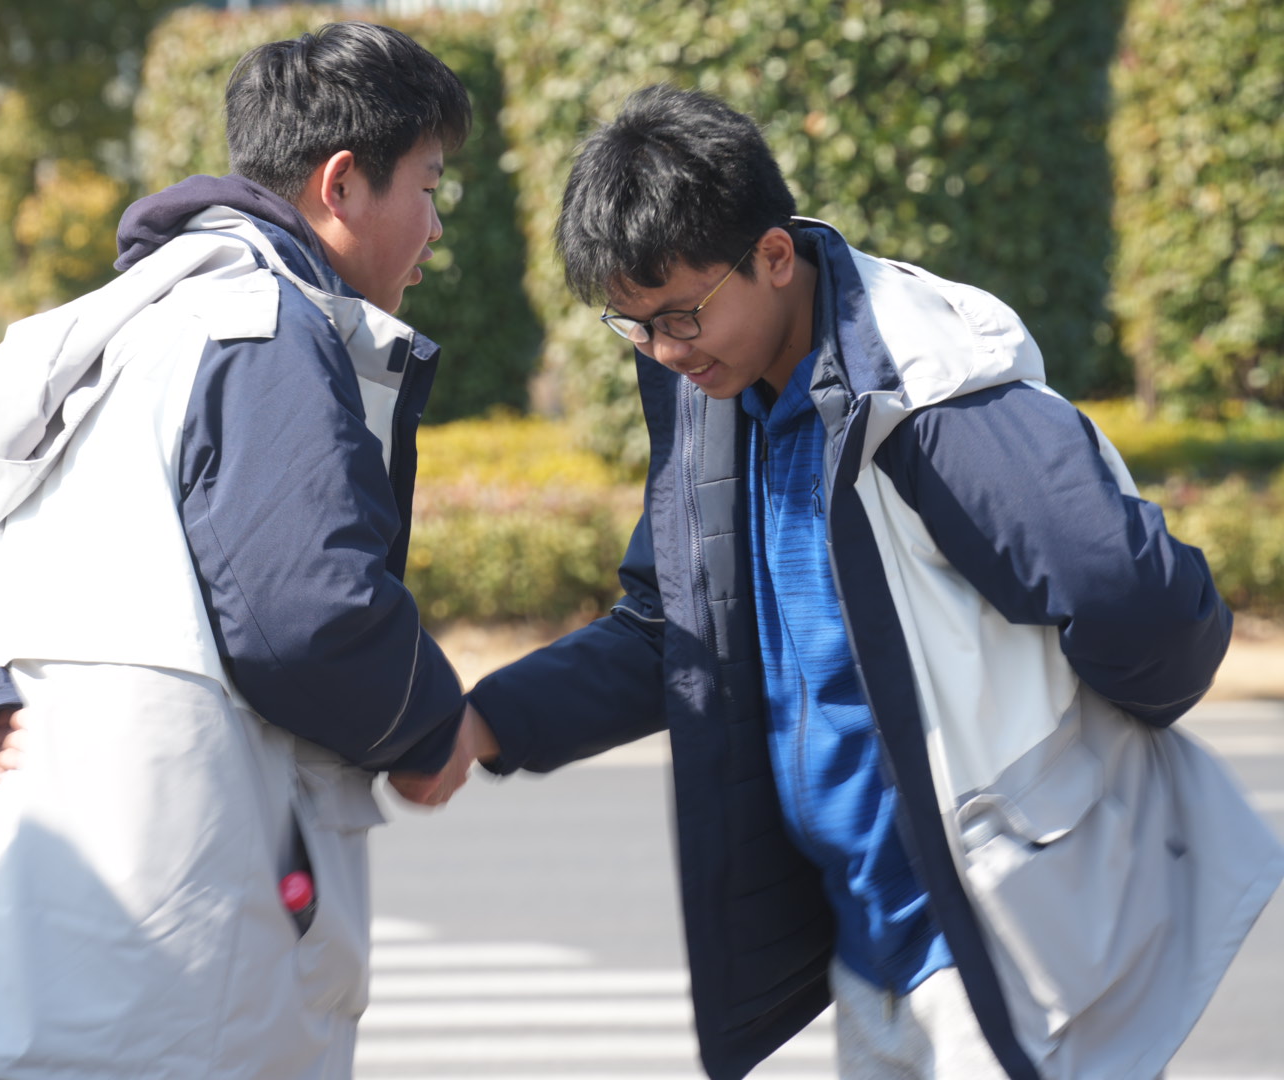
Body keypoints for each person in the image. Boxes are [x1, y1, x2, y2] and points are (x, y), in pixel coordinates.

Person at [406, 86, 1284, 1079]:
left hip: (1002, 944)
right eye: (635, 326)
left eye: (681, 315)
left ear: (774, 256)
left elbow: (1141, 602)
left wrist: (1087, 769)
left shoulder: (925, 394)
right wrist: (487, 723)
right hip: (870, 949)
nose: (665, 351)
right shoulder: (716, 396)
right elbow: (674, 631)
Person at [0, 22, 484, 1080]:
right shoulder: (264, 327)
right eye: (427, 185)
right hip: (161, 979)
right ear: (341, 184)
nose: (435, 225)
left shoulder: (105, 329)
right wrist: (426, 724)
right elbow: (303, 613)